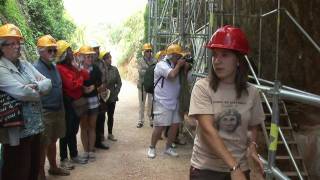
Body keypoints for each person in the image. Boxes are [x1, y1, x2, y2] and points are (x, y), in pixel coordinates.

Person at [188, 25, 265, 180]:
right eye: (214, 55)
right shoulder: (203, 87)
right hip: (206, 169)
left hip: (240, 168)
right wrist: (234, 167)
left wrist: (252, 147)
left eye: (224, 55)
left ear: (238, 60)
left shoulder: (252, 93)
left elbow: (252, 127)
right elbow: (208, 131)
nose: (217, 60)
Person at [0, 23, 52, 180]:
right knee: (17, 171)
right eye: (12, 43)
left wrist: (35, 87)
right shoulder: (1, 68)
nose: (17, 47)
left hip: (35, 126)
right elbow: (21, 92)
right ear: (1, 47)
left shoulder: (25, 65)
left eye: (18, 42)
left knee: (33, 169)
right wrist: (37, 91)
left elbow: (48, 84)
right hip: (16, 131)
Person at [34, 35, 69, 179]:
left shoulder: (54, 67)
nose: (53, 53)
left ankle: (53, 167)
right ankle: (40, 173)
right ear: (40, 51)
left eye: (55, 51)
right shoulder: (35, 68)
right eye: (50, 50)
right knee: (43, 144)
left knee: (53, 140)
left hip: (57, 110)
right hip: (45, 112)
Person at [147, 44, 189, 158]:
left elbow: (183, 79)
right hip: (162, 101)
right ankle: (152, 147)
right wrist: (180, 66)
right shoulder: (162, 65)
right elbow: (171, 75)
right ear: (173, 56)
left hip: (175, 101)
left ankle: (168, 147)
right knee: (160, 126)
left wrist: (184, 68)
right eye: (179, 56)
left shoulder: (175, 65)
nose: (180, 58)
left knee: (175, 125)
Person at [56, 40, 88, 168]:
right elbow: (72, 85)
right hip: (68, 103)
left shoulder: (71, 66)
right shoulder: (60, 68)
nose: (71, 53)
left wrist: (79, 69)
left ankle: (74, 155)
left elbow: (85, 76)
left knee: (73, 130)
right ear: (64, 54)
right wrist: (79, 79)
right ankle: (64, 158)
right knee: (66, 131)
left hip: (75, 103)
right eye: (69, 51)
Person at [78, 45, 102, 161]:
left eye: (91, 56)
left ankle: (91, 150)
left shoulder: (96, 69)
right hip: (82, 101)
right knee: (84, 126)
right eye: (87, 56)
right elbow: (74, 82)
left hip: (93, 100)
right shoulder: (77, 69)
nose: (90, 59)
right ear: (82, 57)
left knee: (92, 126)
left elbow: (99, 81)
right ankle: (85, 150)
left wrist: (94, 86)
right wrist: (82, 87)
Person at [96, 51, 122, 142]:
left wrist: (116, 93)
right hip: (102, 98)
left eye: (110, 57)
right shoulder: (100, 70)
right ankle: (101, 135)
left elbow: (119, 82)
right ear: (103, 60)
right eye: (107, 58)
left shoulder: (114, 69)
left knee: (110, 116)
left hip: (112, 98)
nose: (109, 59)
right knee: (102, 117)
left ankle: (110, 133)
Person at [136, 43, 157, 128]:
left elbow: (156, 72)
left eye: (150, 51)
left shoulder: (154, 60)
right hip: (142, 85)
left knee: (151, 104)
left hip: (151, 86)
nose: (148, 52)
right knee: (141, 103)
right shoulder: (140, 60)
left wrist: (147, 71)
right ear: (144, 52)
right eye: (147, 51)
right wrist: (150, 71)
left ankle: (151, 120)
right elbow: (140, 72)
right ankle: (140, 121)